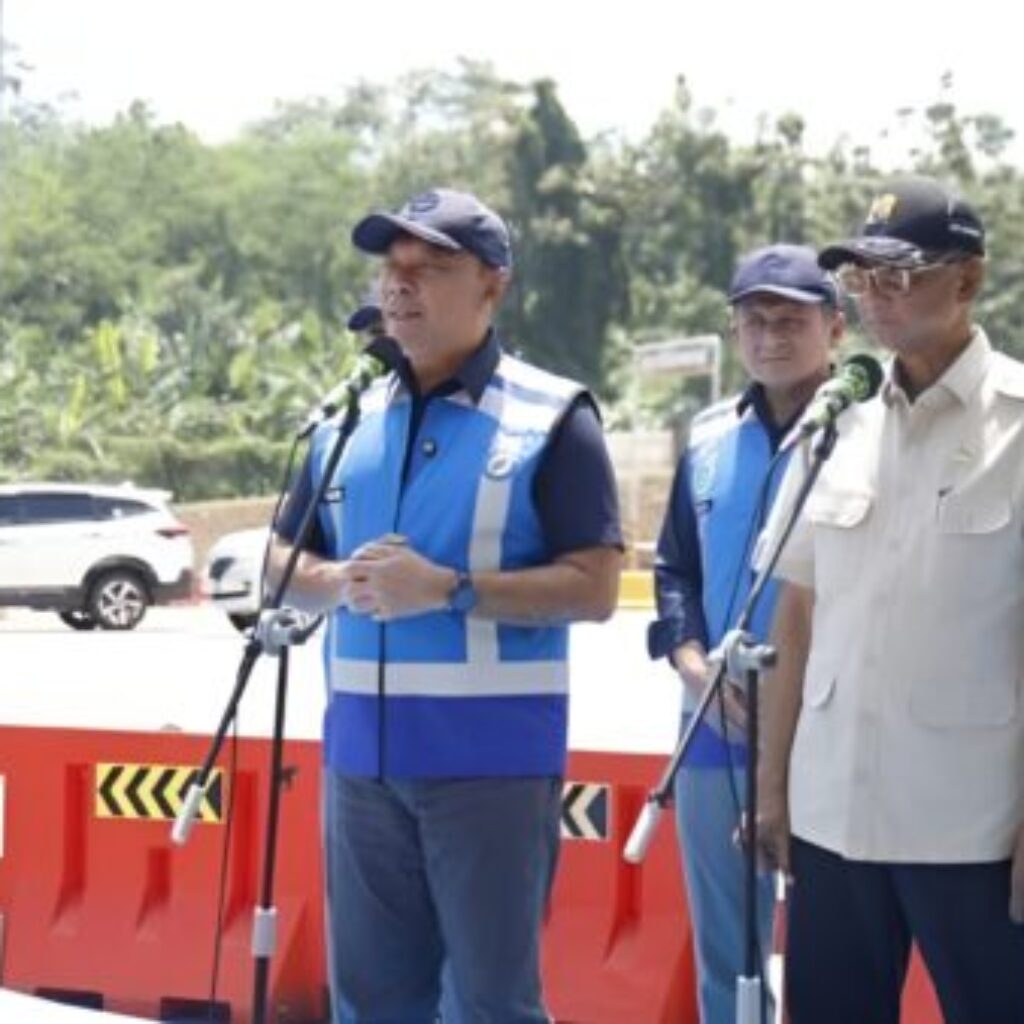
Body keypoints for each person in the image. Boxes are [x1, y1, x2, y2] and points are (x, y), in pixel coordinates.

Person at [272, 186, 623, 1024]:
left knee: (492, 1003)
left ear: (493, 286)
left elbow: (598, 587)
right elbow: (281, 559)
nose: (401, 286)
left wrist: (449, 590)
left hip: (490, 766)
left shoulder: (554, 417)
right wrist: (336, 582)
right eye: (393, 269)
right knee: (371, 1001)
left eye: (430, 268)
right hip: (360, 763)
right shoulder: (340, 418)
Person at [757, 176, 1024, 1024]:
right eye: (861, 278)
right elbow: (797, 613)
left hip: (972, 827)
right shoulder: (840, 427)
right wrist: (773, 787)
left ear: (970, 279)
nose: (875, 297)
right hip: (833, 819)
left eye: (900, 275)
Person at [647, 244, 844, 1024]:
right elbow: (673, 574)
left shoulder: (868, 431)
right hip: (714, 727)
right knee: (728, 950)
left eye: (791, 318)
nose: (770, 335)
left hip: (829, 726)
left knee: (837, 944)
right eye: (753, 320)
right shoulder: (705, 438)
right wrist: (694, 667)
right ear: (734, 332)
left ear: (834, 327)